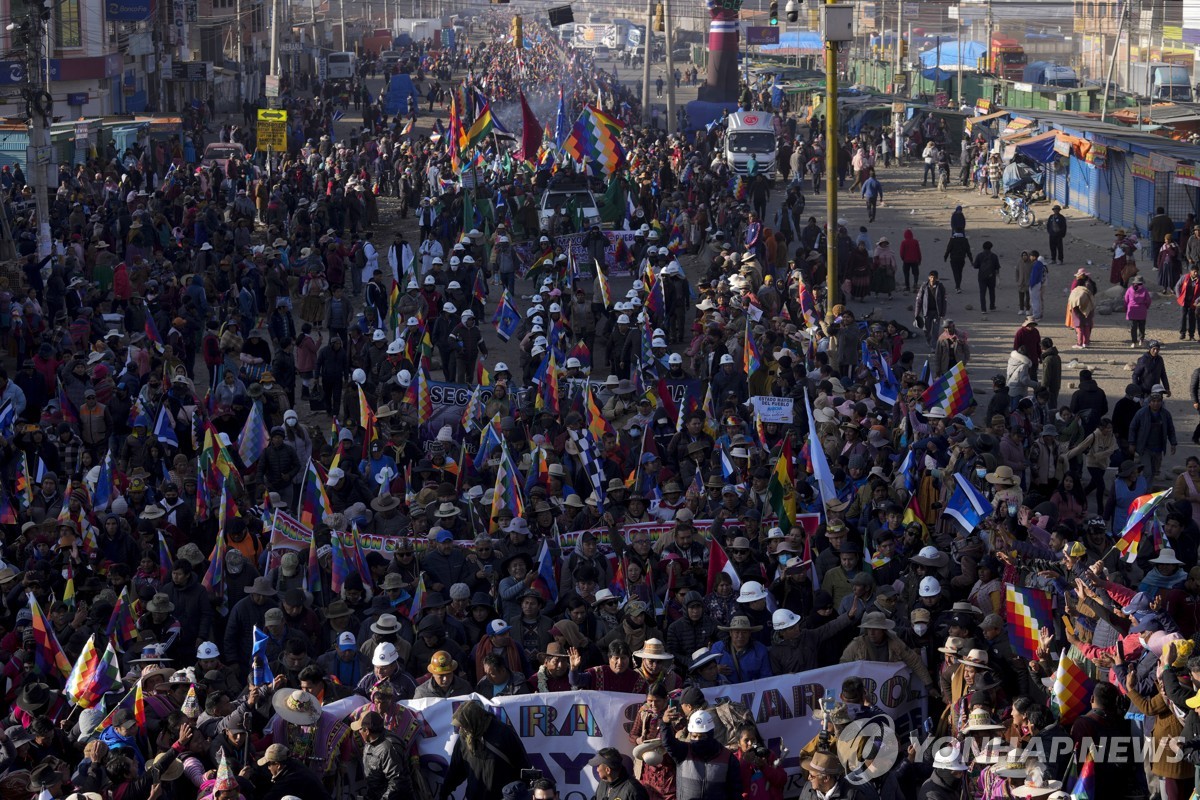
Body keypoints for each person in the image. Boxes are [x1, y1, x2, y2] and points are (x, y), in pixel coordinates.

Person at [440, 699, 529, 799]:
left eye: (464, 725)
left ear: (474, 720)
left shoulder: (504, 733)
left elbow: (523, 765)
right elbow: (455, 771)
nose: (461, 729)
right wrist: (443, 793)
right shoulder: (463, 739)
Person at [353, 711, 414, 800]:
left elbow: (397, 782)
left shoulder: (389, 748)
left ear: (367, 731)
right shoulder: (370, 742)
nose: (358, 732)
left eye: (360, 729)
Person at [914, 271, 947, 349]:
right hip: (927, 312)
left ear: (937, 278)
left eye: (934, 277)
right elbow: (919, 300)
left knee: (935, 331)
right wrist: (916, 313)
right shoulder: (924, 286)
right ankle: (929, 340)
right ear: (929, 277)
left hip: (936, 312)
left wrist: (942, 313)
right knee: (926, 329)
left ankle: (933, 346)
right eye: (931, 277)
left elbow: (944, 300)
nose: (932, 279)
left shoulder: (941, 287)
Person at [972, 241, 1000, 315]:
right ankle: (992, 306)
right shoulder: (994, 256)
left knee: (982, 293)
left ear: (983, 247)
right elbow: (997, 267)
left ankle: (983, 309)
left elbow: (975, 266)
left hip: (981, 276)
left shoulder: (979, 255)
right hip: (991, 276)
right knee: (992, 291)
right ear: (991, 247)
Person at [1126, 275, 1152, 347]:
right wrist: (1146, 307)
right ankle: (1141, 341)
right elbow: (1148, 301)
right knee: (1142, 327)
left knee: (1133, 327)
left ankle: (1134, 342)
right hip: (1142, 311)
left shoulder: (1130, 290)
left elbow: (1126, 300)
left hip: (1132, 311)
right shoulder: (1144, 290)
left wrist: (1127, 308)